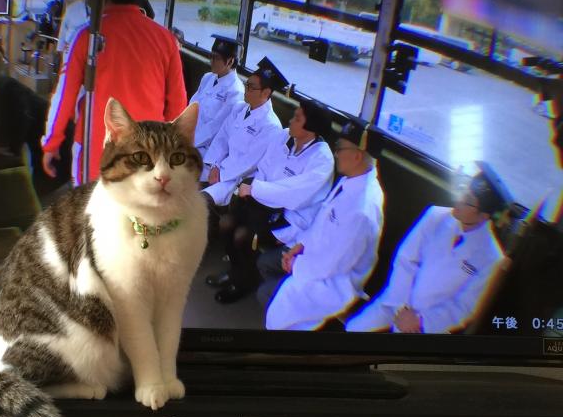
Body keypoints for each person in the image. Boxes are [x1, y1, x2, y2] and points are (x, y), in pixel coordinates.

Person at [41, 0, 187, 184]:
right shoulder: (165, 40)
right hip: (149, 153)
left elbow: (65, 95)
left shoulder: (86, 36)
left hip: (96, 150)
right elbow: (178, 105)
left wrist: (51, 143)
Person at [345, 162, 511, 334]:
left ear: (484, 216)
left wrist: (420, 321)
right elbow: (406, 259)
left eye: (468, 201)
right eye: (463, 191)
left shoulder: (491, 257)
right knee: (354, 329)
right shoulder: (436, 216)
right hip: (397, 301)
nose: (459, 200)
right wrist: (402, 307)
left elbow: (464, 306)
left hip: (427, 323)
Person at [209, 100, 336, 304]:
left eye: (297, 118)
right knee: (226, 224)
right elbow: (264, 168)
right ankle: (234, 269)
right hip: (262, 204)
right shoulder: (284, 136)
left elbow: (295, 195)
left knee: (243, 236)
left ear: (311, 128)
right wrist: (257, 192)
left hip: (289, 218)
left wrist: (257, 190)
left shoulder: (322, 159)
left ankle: (243, 282)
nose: (291, 121)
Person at [265, 118, 385, 330]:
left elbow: (335, 264)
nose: (336, 154)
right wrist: (300, 246)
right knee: (266, 264)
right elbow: (322, 222)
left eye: (340, 148)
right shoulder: (350, 180)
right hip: (313, 258)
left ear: (357, 156)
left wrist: (297, 264)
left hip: (332, 282)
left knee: (269, 296)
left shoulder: (362, 209)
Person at [201, 57, 286, 207]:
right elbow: (222, 138)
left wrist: (221, 174)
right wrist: (215, 164)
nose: (246, 89)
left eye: (251, 87)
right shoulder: (239, 108)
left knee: (199, 200)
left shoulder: (271, 126)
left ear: (265, 93)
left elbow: (248, 163)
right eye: (247, 84)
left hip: (235, 179)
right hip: (217, 167)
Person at [189, 34, 245, 160]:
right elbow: (192, 106)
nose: (212, 61)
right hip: (189, 136)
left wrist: (190, 142)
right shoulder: (208, 77)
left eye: (216, 58)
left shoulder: (235, 91)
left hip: (206, 148)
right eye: (211, 56)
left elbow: (216, 127)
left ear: (230, 61)